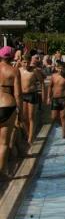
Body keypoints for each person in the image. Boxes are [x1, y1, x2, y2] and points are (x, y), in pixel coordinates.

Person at [0, 47, 21, 178]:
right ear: (12, 57)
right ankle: (2, 173)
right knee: (3, 143)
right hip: (7, 105)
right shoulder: (14, 71)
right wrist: (20, 112)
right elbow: (18, 94)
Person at [20, 54, 45, 144]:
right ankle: (28, 134)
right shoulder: (18, 71)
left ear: (30, 61)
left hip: (32, 95)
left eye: (27, 62)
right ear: (20, 62)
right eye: (24, 62)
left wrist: (43, 95)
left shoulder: (34, 71)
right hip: (22, 95)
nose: (26, 64)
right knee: (23, 118)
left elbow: (42, 82)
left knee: (31, 117)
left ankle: (30, 138)